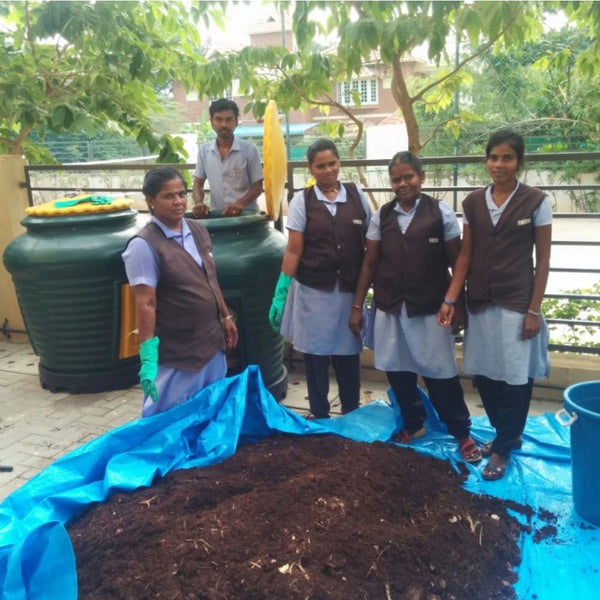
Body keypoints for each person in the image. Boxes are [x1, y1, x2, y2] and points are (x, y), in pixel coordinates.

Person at [348, 151, 481, 463]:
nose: (402, 183)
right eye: (396, 179)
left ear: (421, 177)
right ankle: (413, 423)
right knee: (398, 371)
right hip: (391, 308)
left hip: (430, 308)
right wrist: (358, 305)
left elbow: (457, 260)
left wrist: (456, 303)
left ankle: (461, 432)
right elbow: (369, 263)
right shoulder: (382, 216)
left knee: (440, 373)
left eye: (408, 177)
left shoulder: (441, 214)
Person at [437, 129, 552, 480]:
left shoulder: (536, 201)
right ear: (486, 160)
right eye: (493, 157)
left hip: (518, 303)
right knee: (485, 373)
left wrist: (534, 309)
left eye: (507, 158)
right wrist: (451, 298)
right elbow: (466, 256)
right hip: (481, 302)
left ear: (519, 162)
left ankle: (502, 449)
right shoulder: (473, 203)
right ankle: (509, 435)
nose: (499, 164)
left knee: (516, 377)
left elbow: (543, 261)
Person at [122, 166, 238, 417]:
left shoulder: (198, 230)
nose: (178, 202)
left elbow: (211, 278)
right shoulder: (143, 246)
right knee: (170, 421)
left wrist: (225, 316)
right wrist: (149, 358)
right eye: (168, 196)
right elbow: (146, 304)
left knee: (210, 411)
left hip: (210, 343)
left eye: (181, 194)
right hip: (177, 353)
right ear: (151, 201)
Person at [269, 139, 372, 419]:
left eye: (332, 164)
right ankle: (319, 412)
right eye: (320, 166)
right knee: (315, 356)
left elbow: (371, 240)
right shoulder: (302, 200)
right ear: (310, 169)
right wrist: (281, 290)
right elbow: (293, 249)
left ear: (339, 163)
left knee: (348, 354)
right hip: (313, 291)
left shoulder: (355, 194)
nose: (327, 171)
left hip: (349, 291)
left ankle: (352, 413)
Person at [192, 98, 263, 218]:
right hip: (218, 217)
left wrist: (240, 203)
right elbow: (198, 182)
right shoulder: (204, 151)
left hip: (246, 217)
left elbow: (258, 186)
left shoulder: (250, 151)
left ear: (236, 121)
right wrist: (199, 203)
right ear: (211, 121)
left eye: (229, 119)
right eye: (219, 119)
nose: (224, 124)